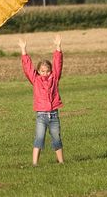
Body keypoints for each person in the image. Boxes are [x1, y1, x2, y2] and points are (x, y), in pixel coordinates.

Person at [18, 34, 64, 167]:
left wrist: (58, 47)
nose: (45, 73)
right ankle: (34, 163)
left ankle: (61, 162)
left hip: (54, 115)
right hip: (41, 116)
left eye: (47, 71)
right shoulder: (35, 79)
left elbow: (58, 64)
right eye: (42, 71)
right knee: (39, 138)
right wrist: (23, 50)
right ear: (38, 71)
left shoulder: (54, 78)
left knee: (56, 138)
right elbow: (27, 68)